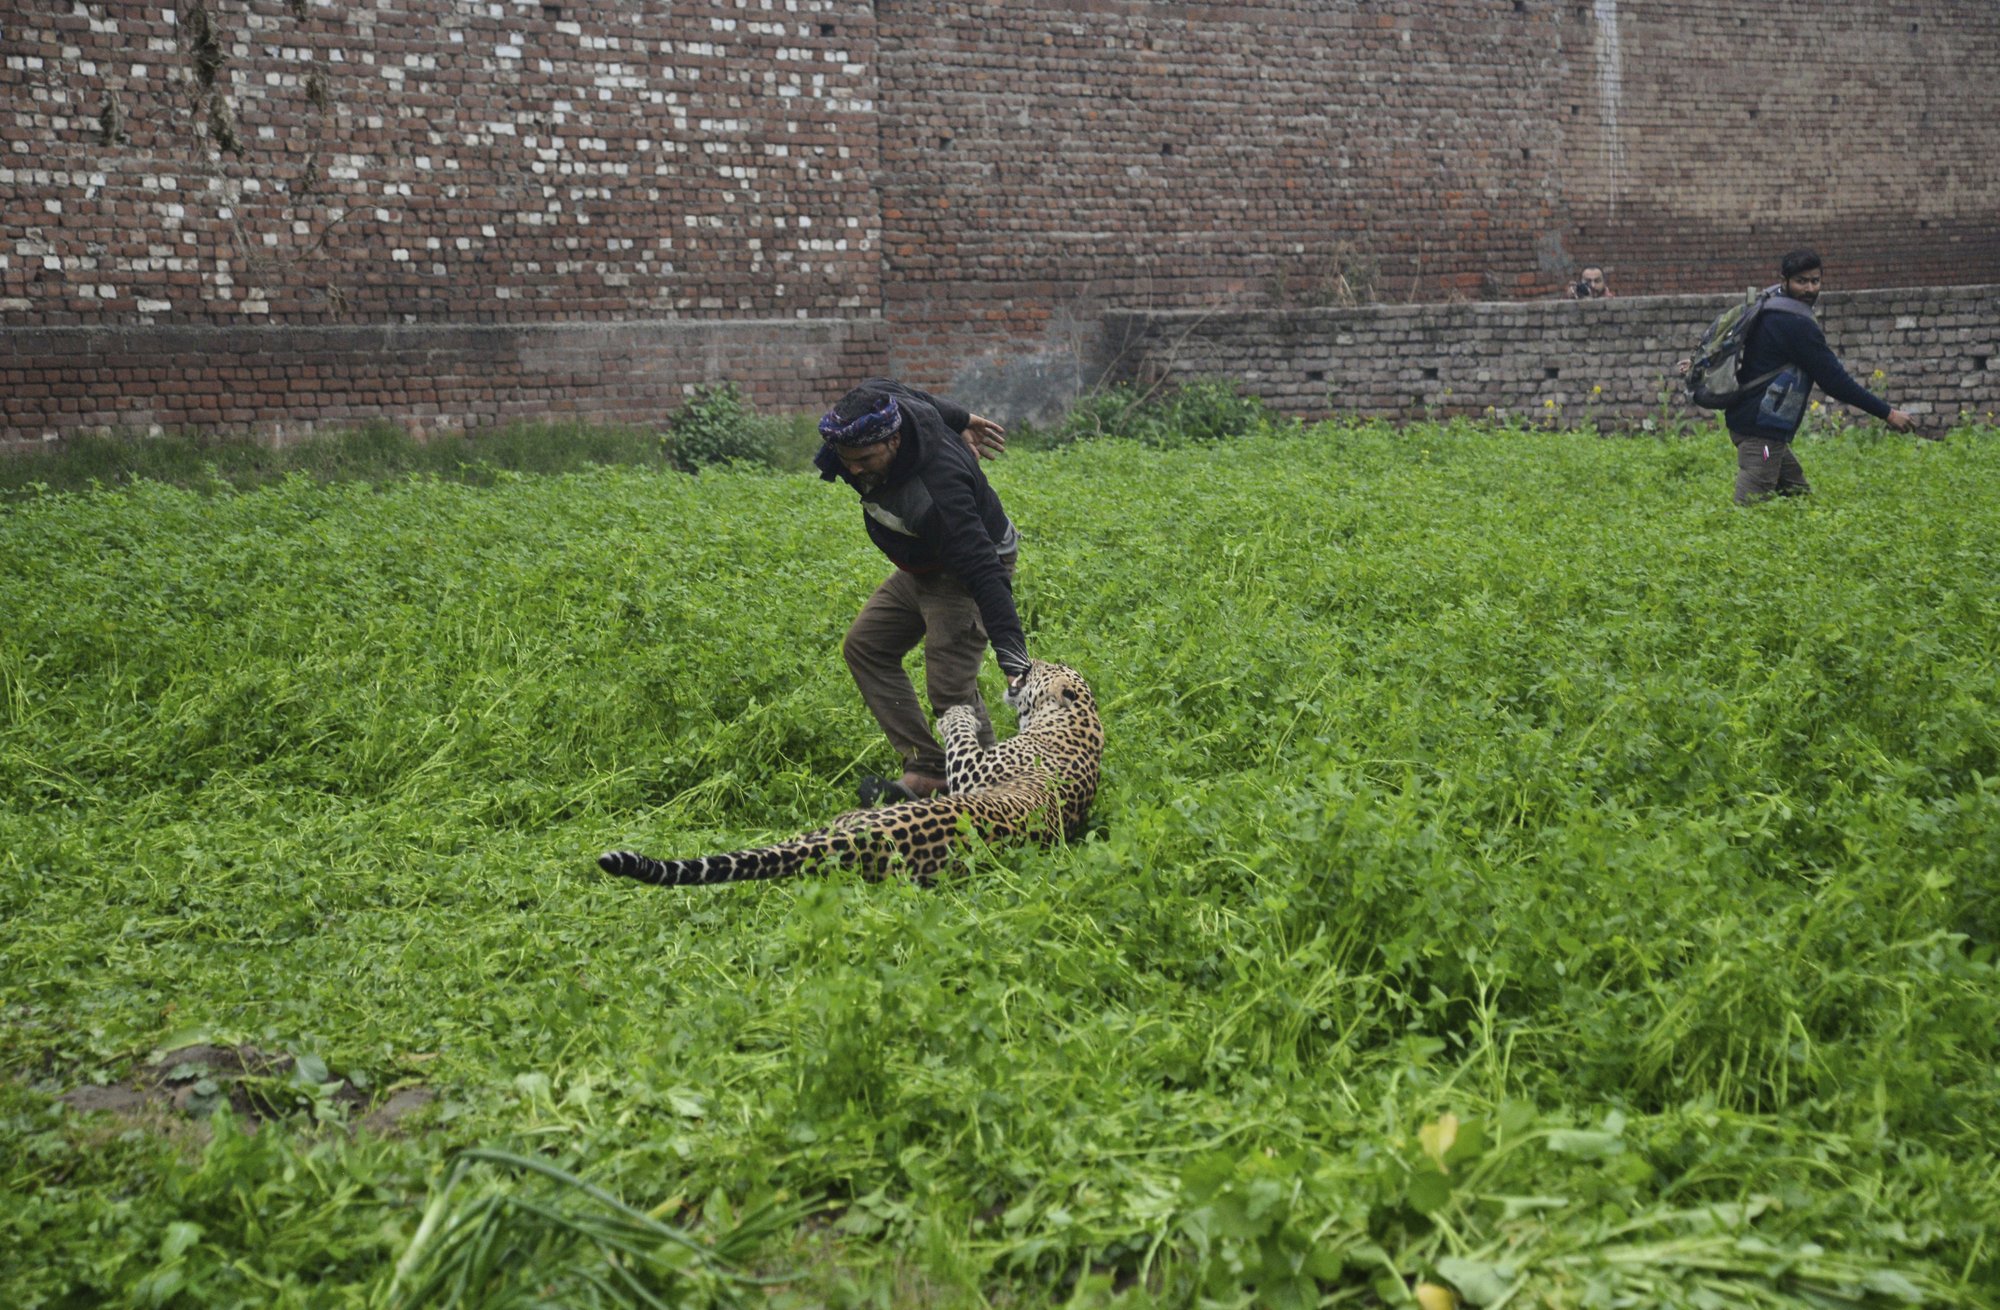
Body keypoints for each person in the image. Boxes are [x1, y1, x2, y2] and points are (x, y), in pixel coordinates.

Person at [815, 378, 1029, 803]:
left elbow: (984, 572)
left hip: (964, 570)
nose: (853, 469)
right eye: (846, 459)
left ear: (893, 440)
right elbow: (914, 397)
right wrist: (962, 419)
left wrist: (1012, 656)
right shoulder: (877, 411)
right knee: (867, 646)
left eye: (864, 459)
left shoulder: (939, 490)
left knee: (950, 690)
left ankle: (993, 796)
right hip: (922, 564)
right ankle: (930, 770)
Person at [1714, 248, 1916, 504]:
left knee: (1797, 496)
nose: (1810, 289)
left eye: (1815, 281)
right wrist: (1887, 413)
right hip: (1761, 437)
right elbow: (1835, 381)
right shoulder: (1795, 324)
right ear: (1784, 280)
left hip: (1760, 428)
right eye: (1801, 281)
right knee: (1750, 506)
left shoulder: (1770, 304)